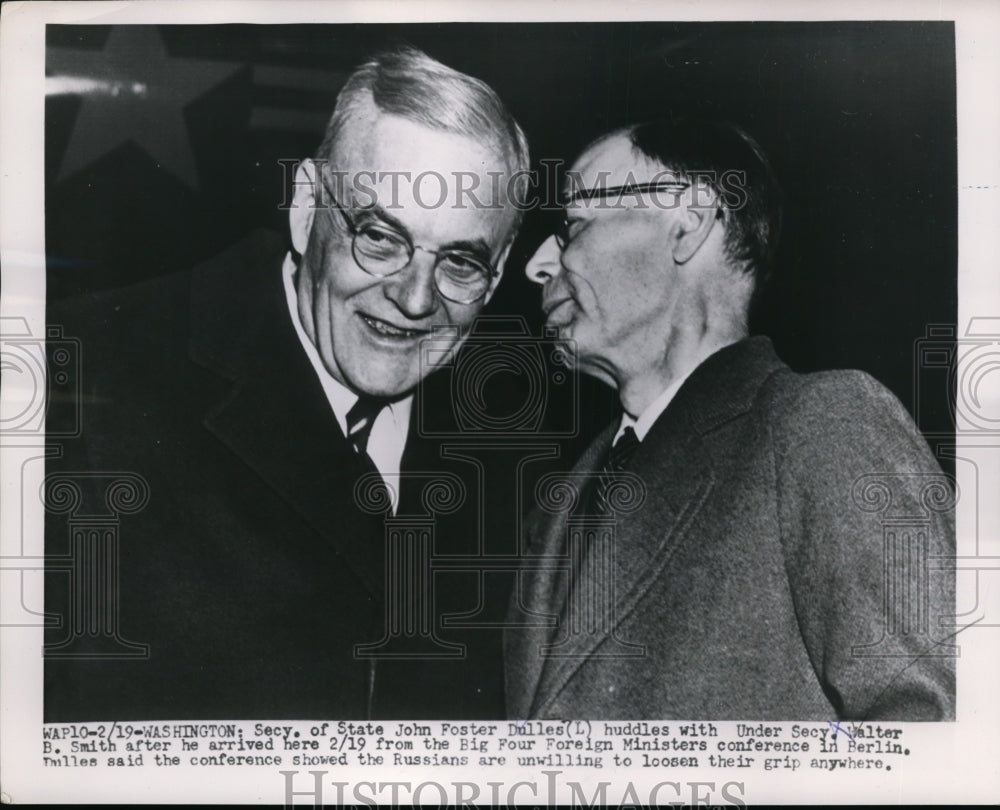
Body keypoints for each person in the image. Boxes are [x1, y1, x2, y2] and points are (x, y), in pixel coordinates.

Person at [44, 47, 529, 720]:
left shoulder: (523, 459)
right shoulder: (74, 375)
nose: (416, 300)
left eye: (460, 263)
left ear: (498, 274)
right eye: (381, 238)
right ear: (307, 208)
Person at [505, 117, 955, 720]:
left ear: (685, 224)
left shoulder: (823, 428)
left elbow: (935, 737)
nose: (536, 264)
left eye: (572, 225)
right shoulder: (558, 505)